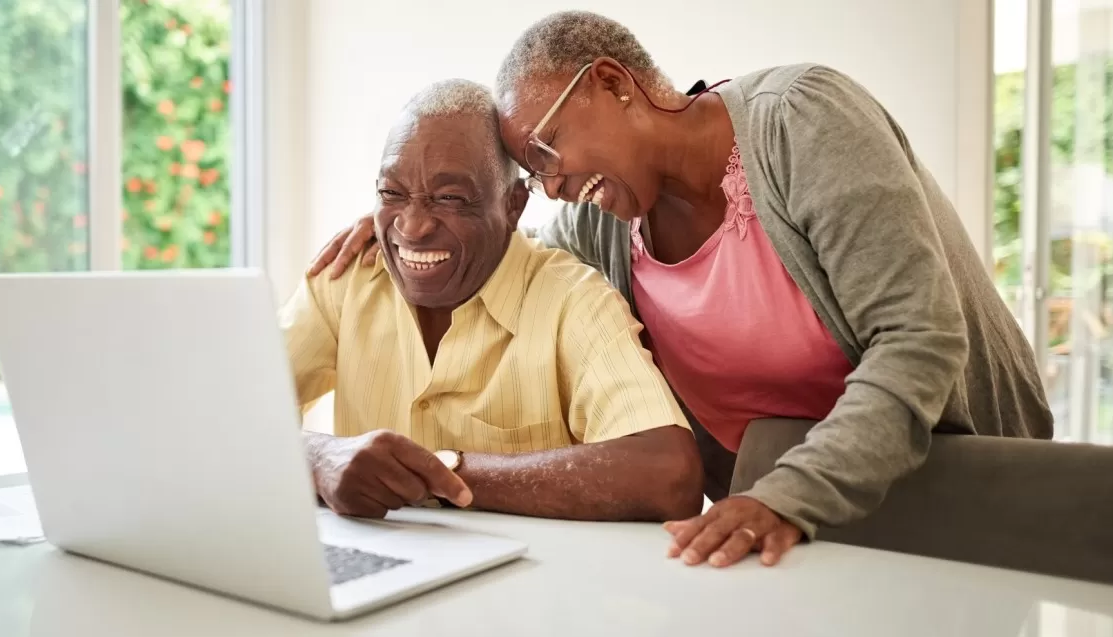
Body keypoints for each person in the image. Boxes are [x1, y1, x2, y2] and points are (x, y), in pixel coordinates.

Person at [308, 11, 1053, 568]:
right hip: (787, 531)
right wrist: (411, 220)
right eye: (534, 174)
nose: (554, 184)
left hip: (953, 486)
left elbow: (918, 338)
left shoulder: (802, 120)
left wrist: (785, 494)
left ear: (612, 82)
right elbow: (505, 248)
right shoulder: (603, 227)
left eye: (546, 149)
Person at [284, 78, 703, 523]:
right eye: (392, 194)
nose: (412, 227)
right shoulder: (345, 281)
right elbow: (216, 412)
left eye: (450, 198)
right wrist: (317, 455)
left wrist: (442, 472)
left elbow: (668, 474)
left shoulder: (573, 301)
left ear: (513, 206)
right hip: (375, 582)